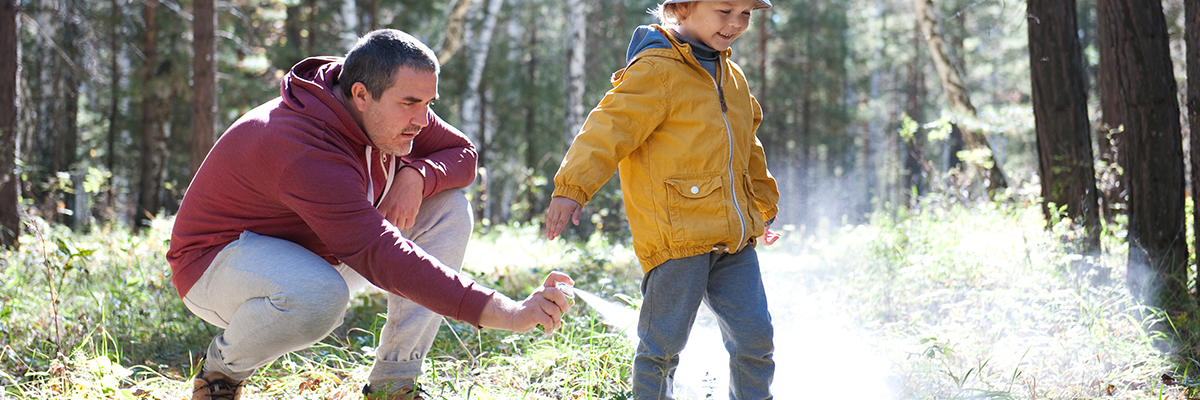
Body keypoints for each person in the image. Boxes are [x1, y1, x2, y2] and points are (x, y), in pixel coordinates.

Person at [167, 29, 574, 400]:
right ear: (361, 95)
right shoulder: (303, 147)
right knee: (320, 296)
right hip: (215, 265)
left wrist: (418, 175)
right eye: (411, 104)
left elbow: (463, 154)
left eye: (428, 104)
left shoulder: (383, 106)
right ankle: (220, 375)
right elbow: (382, 256)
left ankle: (393, 384)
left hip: (320, 250)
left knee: (448, 207)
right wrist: (508, 313)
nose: (422, 120)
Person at [543, 1, 779, 399]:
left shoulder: (732, 75)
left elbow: (746, 147)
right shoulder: (655, 69)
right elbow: (608, 129)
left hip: (735, 240)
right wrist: (572, 188)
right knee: (663, 347)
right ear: (682, 8)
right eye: (725, 10)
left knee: (756, 338)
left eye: (746, 14)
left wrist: (763, 207)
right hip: (678, 236)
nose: (736, 23)